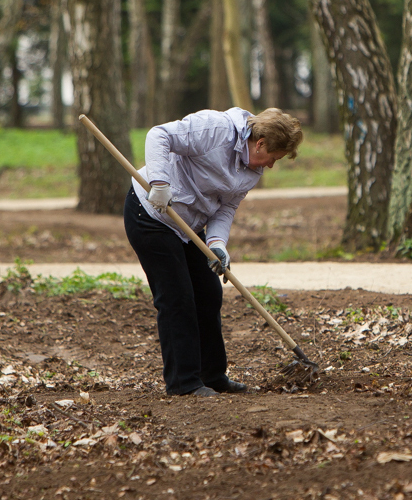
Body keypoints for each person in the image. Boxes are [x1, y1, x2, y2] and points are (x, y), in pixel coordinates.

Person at [124, 107, 303, 397]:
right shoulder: (215, 129)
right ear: (260, 144)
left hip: (189, 226)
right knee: (176, 297)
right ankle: (184, 383)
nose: (271, 165)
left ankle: (213, 375)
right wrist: (158, 182)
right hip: (151, 215)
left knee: (209, 293)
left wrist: (217, 244)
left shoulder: (251, 171)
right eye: (274, 157)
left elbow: (227, 207)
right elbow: (158, 135)